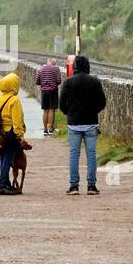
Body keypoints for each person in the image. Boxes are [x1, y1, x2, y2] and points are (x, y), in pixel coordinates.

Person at [59, 55, 107, 195]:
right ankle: (91, 186)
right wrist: (93, 112)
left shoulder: (68, 82)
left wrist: (70, 113)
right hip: (91, 122)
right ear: (87, 66)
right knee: (91, 155)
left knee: (74, 154)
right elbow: (102, 102)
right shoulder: (95, 82)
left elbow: (62, 104)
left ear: (74, 67)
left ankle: (74, 186)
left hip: (74, 123)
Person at [0, 72, 26, 196]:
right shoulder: (14, 100)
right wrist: (20, 135)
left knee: (3, 160)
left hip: (1, 135)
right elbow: (17, 121)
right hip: (12, 135)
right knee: (8, 160)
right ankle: (3, 186)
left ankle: (6, 183)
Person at [36, 56, 62, 136]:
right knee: (52, 109)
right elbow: (58, 80)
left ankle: (45, 129)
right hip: (53, 91)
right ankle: (50, 128)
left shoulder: (41, 69)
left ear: (48, 62)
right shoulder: (56, 68)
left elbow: (37, 81)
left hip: (44, 91)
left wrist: (44, 84)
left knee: (45, 110)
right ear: (54, 63)